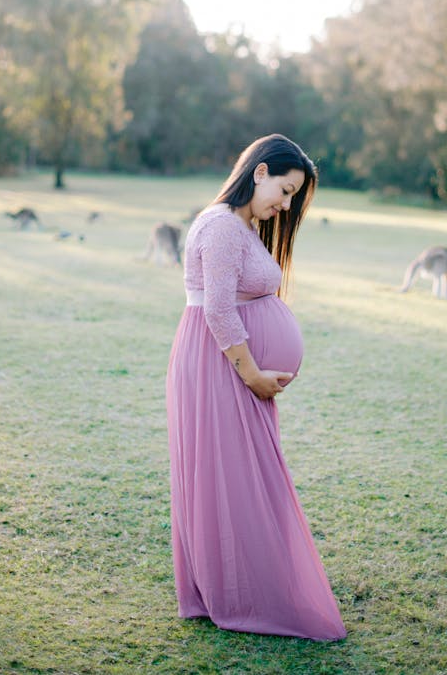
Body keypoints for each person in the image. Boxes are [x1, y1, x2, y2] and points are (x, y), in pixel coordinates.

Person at [166, 134, 346, 640]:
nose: (285, 205)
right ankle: (237, 592)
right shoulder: (222, 225)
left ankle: (247, 582)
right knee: (229, 479)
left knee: (243, 480)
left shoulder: (243, 225)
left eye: (293, 198)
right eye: (285, 192)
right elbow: (219, 310)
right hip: (221, 366)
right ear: (260, 171)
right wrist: (253, 375)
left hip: (235, 369)